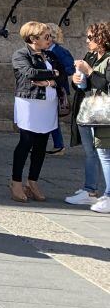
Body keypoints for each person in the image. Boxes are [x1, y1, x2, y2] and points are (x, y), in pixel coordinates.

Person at [9, 21, 67, 204]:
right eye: (46, 36)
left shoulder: (50, 55)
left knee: (41, 144)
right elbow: (29, 73)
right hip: (29, 102)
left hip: (48, 104)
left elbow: (64, 74)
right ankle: (16, 182)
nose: (50, 39)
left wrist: (51, 80)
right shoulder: (20, 54)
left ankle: (32, 181)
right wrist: (54, 75)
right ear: (33, 38)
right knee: (26, 142)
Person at [67, 22, 110, 211]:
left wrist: (89, 71)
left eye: (91, 37)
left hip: (104, 113)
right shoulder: (91, 56)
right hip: (88, 111)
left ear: (103, 39)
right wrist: (76, 80)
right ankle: (90, 191)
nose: (87, 41)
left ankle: (108, 195)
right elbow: (85, 84)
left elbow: (105, 85)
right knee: (90, 152)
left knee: (105, 154)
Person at [46, 23, 76, 155]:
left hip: (57, 89)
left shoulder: (59, 51)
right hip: (49, 88)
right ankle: (57, 145)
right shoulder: (44, 50)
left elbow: (70, 68)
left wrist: (59, 71)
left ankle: (58, 145)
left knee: (50, 117)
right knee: (49, 117)